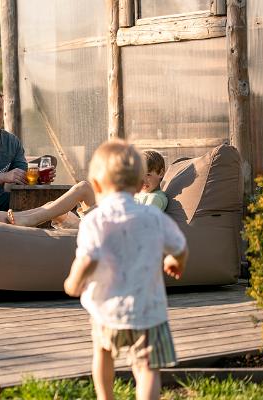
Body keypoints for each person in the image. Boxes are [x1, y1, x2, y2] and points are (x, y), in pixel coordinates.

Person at [63, 139, 188, 400]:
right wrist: (176, 262)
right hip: (148, 310)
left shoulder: (95, 220)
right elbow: (180, 246)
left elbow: (87, 259)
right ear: (139, 183)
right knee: (146, 368)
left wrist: (73, 283)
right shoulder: (153, 216)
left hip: (107, 311)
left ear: (96, 186)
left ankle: (105, 398)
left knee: (102, 353)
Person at [0, 149, 168, 227]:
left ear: (161, 173)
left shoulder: (156, 198)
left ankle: (20, 219)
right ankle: (4, 218)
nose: (144, 180)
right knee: (54, 207)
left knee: (84, 187)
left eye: (149, 175)